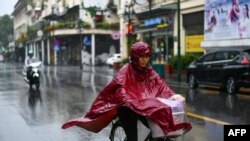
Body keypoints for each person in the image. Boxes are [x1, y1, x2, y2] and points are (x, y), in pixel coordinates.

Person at [62, 41, 192, 141]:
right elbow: (121, 89)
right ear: (135, 57)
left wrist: (173, 95)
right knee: (132, 138)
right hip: (127, 108)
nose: (144, 60)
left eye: (147, 56)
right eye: (141, 57)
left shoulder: (148, 70)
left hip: (143, 106)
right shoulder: (125, 71)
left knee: (160, 127)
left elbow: (160, 85)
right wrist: (130, 100)